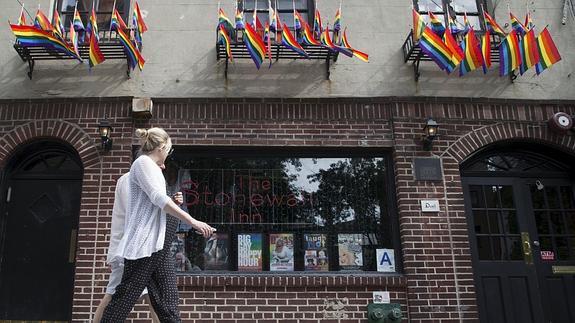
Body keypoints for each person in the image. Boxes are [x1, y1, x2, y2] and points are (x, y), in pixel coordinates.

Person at [101, 127, 215, 322]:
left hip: (159, 245)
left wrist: (174, 202)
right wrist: (193, 221)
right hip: (144, 247)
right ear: (161, 147)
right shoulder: (142, 163)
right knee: (123, 299)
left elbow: (158, 204)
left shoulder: (151, 167)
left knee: (168, 302)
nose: (168, 156)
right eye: (169, 151)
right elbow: (158, 199)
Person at [93, 163, 183, 323]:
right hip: (131, 251)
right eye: (159, 162)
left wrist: (171, 204)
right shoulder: (131, 181)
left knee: (155, 300)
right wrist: (168, 204)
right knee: (114, 296)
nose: (163, 166)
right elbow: (139, 215)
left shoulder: (143, 180)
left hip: (146, 251)